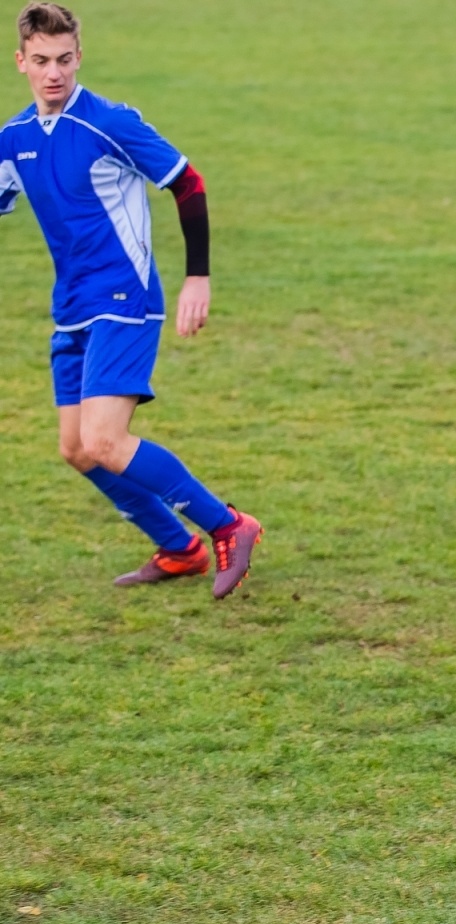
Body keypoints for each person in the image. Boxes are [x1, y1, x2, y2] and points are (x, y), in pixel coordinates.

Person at [2, 2, 261, 597]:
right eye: (41, 61)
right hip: (71, 307)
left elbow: (187, 182)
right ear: (21, 62)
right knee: (77, 449)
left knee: (104, 441)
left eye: (64, 60)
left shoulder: (110, 122)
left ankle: (230, 525)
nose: (54, 74)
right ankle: (180, 549)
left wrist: (198, 276)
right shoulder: (14, 139)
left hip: (125, 299)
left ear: (79, 57)